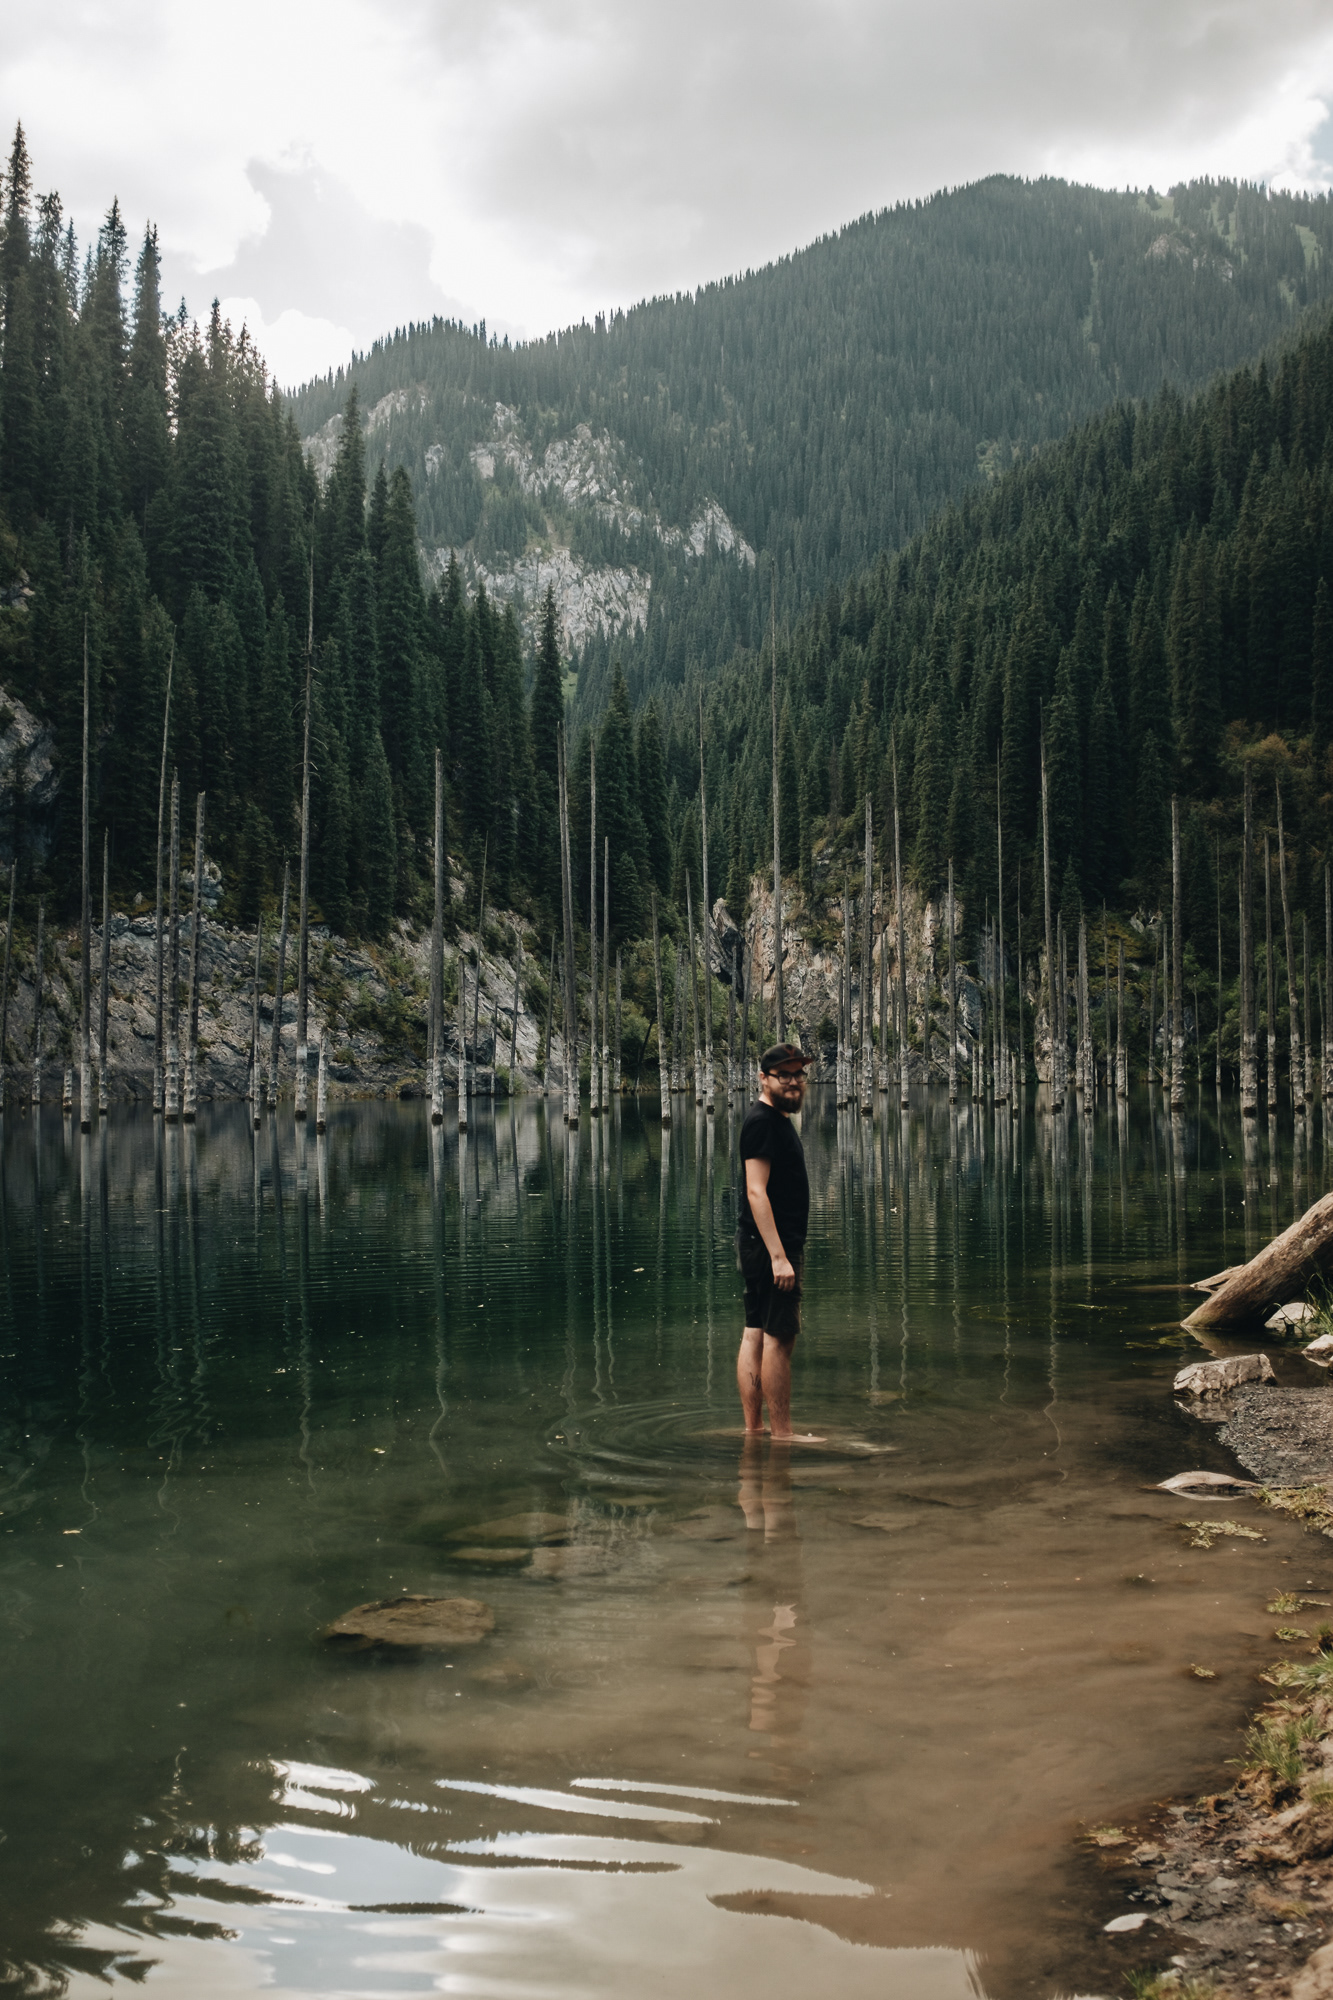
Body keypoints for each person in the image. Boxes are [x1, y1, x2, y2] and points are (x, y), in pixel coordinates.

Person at [736, 1042, 822, 1441]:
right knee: (778, 1339)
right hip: (772, 1248)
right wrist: (779, 1257)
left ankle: (755, 1433)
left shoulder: (772, 1119)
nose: (793, 1082)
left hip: (760, 1245)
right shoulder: (763, 1122)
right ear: (764, 1079)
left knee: (756, 1332)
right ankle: (783, 1436)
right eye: (784, 1075)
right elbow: (756, 1192)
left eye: (798, 1075)